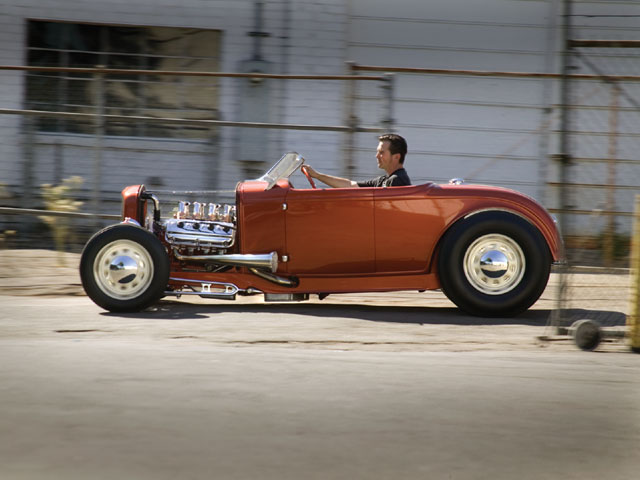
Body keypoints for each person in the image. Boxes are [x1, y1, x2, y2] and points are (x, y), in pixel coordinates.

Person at [303, 134, 411, 188]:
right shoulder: (383, 180)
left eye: (382, 152)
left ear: (396, 157)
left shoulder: (398, 181)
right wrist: (317, 175)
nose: (377, 156)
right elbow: (350, 185)